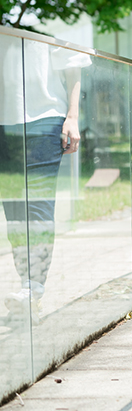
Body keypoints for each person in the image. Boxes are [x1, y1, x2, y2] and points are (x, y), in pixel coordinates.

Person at [1, 38, 88, 324]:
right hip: (3, 121)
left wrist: (72, 117)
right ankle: (27, 285)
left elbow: (73, 64)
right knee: (13, 209)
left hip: (45, 116)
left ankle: (32, 287)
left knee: (37, 205)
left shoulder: (54, 0)